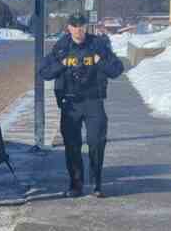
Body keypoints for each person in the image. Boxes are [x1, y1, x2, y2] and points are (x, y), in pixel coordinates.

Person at [38, 12, 124, 198]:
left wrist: (99, 61)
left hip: (93, 101)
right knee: (72, 145)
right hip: (70, 103)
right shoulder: (61, 47)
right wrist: (62, 64)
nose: (78, 29)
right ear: (68, 27)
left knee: (96, 142)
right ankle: (76, 185)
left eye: (81, 25)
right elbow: (44, 72)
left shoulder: (98, 45)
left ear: (86, 26)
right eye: (74, 26)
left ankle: (96, 184)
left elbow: (116, 69)